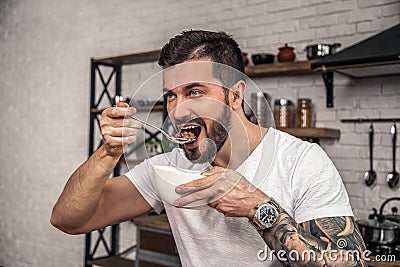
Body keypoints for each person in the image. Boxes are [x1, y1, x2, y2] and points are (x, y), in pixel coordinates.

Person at [51, 30, 366, 266]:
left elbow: (352, 262)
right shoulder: (168, 168)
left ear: (235, 95)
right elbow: (69, 219)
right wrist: (108, 152)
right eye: (171, 95)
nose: (177, 111)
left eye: (194, 91)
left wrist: (260, 208)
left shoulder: (301, 162)